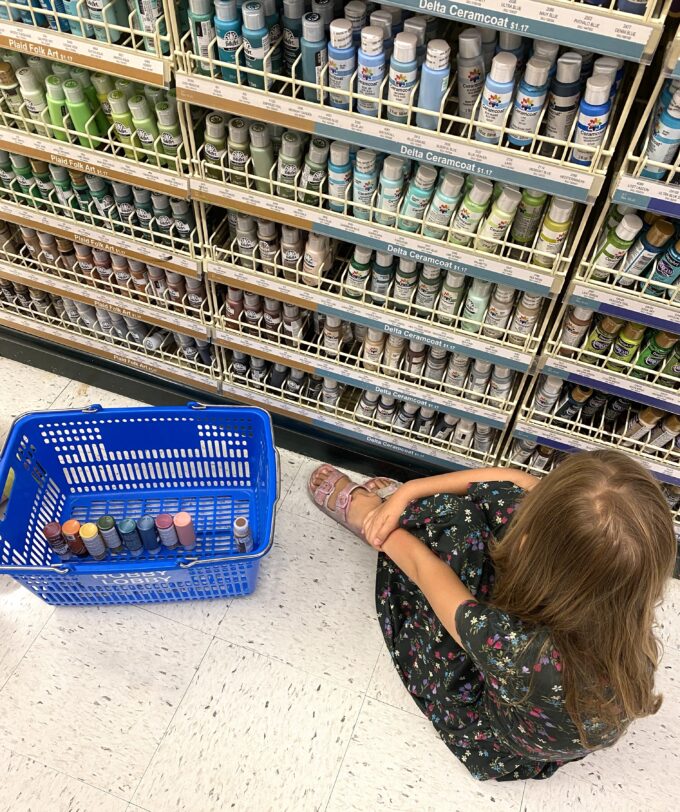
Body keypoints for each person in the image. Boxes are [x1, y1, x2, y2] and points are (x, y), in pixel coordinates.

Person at [307, 449, 676, 781]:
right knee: (504, 499)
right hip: (542, 722)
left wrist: (377, 518)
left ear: (532, 547)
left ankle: (374, 511)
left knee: (455, 525)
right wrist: (409, 491)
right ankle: (405, 510)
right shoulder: (627, 615)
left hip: (490, 733)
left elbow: (424, 569)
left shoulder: (522, 652)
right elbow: (517, 480)